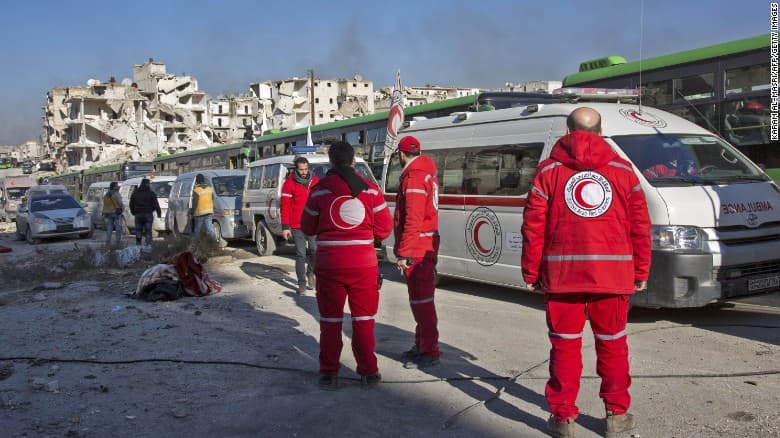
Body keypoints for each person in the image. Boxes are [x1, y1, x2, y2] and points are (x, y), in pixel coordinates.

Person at [521, 107, 651, 438]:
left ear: (567, 131)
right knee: (613, 346)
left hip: (563, 277)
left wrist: (531, 271)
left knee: (564, 347)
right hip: (613, 276)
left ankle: (564, 419)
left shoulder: (548, 172)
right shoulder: (623, 171)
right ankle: (616, 416)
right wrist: (641, 270)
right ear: (601, 130)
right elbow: (640, 226)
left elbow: (533, 227)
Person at [300, 141, 393, 390]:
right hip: (363, 264)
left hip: (329, 264)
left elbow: (307, 227)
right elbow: (385, 228)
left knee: (330, 321)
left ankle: (329, 373)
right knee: (363, 320)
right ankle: (369, 373)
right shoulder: (371, 190)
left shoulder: (319, 190)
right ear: (353, 161)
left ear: (330, 162)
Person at [393, 135, 442, 369]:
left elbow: (412, 219)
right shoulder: (426, 174)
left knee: (422, 302)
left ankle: (429, 349)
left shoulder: (413, 178)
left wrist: (403, 252)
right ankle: (422, 344)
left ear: (401, 154)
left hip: (418, 248)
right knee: (420, 301)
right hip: (424, 244)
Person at [281, 156, 319, 295]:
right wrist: (285, 227)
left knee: (315, 251)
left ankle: (310, 273)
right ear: (296, 169)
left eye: (306, 169)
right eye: (301, 170)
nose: (304, 172)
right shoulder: (289, 183)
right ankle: (301, 284)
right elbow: (284, 206)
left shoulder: (315, 181)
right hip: (296, 225)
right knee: (301, 254)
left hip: (313, 223)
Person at [129, 178, 161, 247]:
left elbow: (131, 204)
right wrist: (159, 213)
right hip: (148, 214)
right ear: (147, 184)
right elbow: (156, 204)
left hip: (138, 214)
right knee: (148, 230)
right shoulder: (151, 193)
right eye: (148, 184)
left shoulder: (135, 193)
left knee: (138, 230)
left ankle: (138, 244)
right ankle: (148, 244)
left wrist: (133, 212)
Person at [191, 174, 215, 239]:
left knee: (197, 230)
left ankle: (195, 244)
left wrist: (192, 212)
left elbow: (195, 203)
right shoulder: (210, 189)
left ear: (197, 181)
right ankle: (214, 242)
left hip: (200, 213)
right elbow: (212, 198)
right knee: (209, 228)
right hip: (209, 211)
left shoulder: (197, 190)